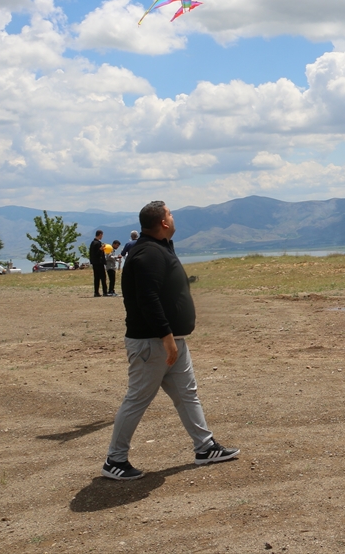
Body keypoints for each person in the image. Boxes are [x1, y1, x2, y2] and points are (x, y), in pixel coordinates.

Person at [102, 201, 239, 480]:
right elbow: (147, 299)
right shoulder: (148, 253)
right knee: (138, 399)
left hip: (170, 341)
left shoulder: (160, 248)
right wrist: (166, 338)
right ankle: (114, 461)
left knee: (187, 393)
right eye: (170, 214)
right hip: (153, 343)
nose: (173, 217)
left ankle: (205, 447)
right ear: (163, 223)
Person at [88, 230, 106, 298]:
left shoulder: (92, 242)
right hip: (99, 263)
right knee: (103, 277)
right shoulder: (97, 243)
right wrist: (101, 249)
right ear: (100, 234)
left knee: (96, 278)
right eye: (102, 235)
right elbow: (97, 254)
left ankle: (96, 292)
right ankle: (105, 291)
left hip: (94, 263)